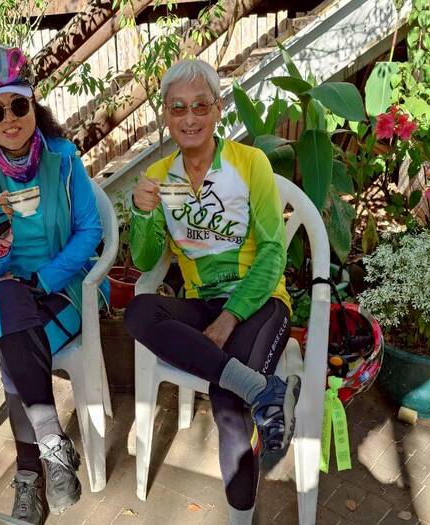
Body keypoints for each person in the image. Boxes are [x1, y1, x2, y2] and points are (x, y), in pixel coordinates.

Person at [124, 59, 301, 525]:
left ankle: (240, 519)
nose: (189, 118)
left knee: (226, 404)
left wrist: (230, 317)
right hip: (202, 300)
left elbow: (273, 253)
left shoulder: (250, 163)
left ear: (218, 109)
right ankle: (263, 389)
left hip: (261, 302)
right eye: (178, 108)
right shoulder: (160, 175)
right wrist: (141, 213)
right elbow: (145, 260)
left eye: (200, 106)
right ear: (166, 115)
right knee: (138, 312)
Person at [0, 44, 108, 524]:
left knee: (15, 344)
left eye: (18, 105)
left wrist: (45, 277)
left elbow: (90, 231)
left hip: (61, 286)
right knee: (9, 300)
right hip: (1, 289)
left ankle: (30, 475)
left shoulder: (63, 159)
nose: (10, 119)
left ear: (33, 104)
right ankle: (52, 446)